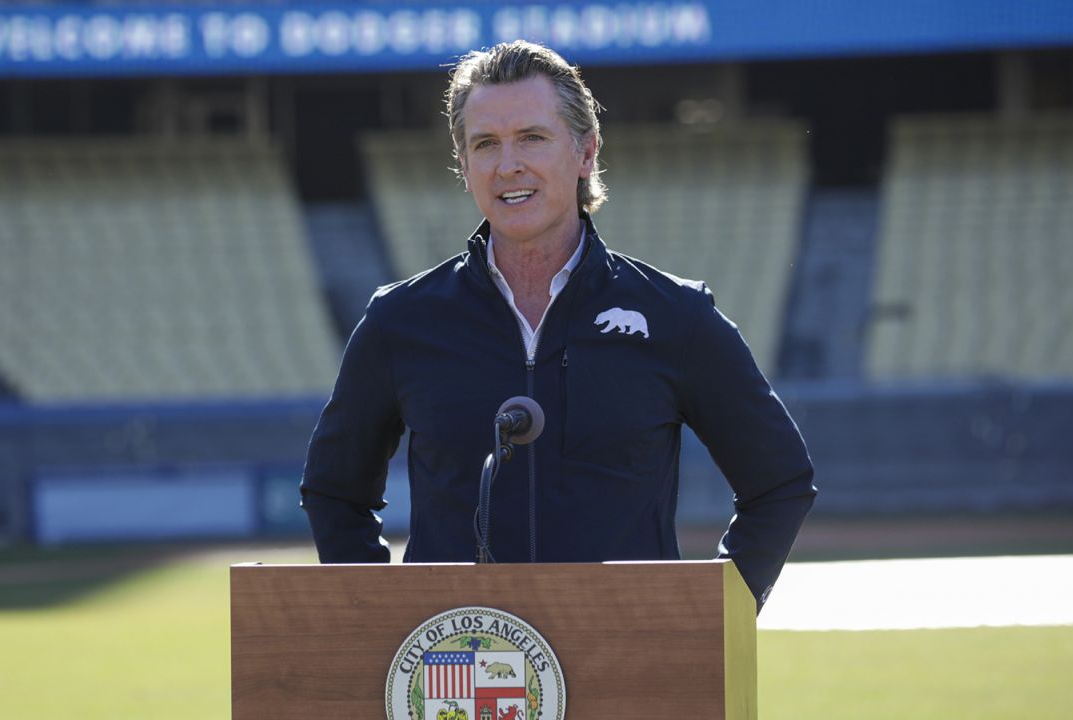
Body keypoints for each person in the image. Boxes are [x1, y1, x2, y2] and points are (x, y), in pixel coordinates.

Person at [300, 40, 816, 611]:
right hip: (461, 677)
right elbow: (334, 492)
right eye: (485, 144)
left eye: (532, 138)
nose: (508, 164)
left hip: (626, 671)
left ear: (586, 152)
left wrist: (716, 616)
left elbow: (780, 481)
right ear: (465, 167)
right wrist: (381, 620)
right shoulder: (400, 320)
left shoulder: (677, 316)